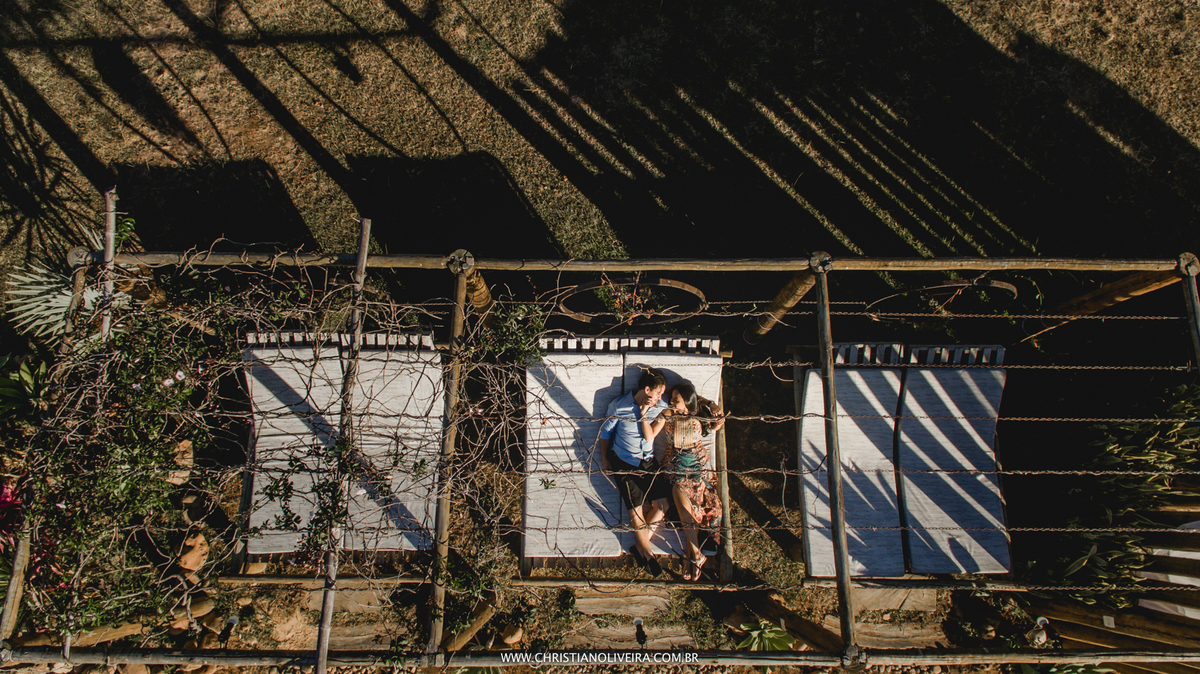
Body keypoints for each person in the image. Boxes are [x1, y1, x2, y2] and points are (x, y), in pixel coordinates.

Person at [641, 382, 725, 581]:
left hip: (698, 465)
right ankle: (695, 554)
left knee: (690, 505)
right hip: (675, 465)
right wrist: (643, 415)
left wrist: (713, 408)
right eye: (671, 399)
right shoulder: (668, 414)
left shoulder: (699, 413)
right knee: (681, 501)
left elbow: (715, 425)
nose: (671, 402)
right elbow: (651, 434)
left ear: (687, 402)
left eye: (676, 399)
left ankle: (691, 556)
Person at [598, 367, 670, 576]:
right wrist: (604, 458)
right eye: (658, 393)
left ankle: (640, 547)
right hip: (624, 462)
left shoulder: (661, 406)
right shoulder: (619, 407)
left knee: (663, 504)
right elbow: (605, 433)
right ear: (647, 390)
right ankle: (648, 555)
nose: (660, 398)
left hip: (647, 462)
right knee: (636, 509)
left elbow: (683, 403)